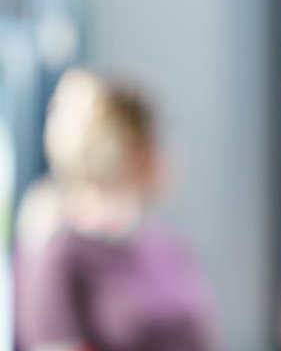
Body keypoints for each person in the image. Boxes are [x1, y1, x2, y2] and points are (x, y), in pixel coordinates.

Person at [13, 68, 217, 351]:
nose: (169, 149)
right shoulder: (57, 254)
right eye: (154, 137)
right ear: (129, 153)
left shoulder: (169, 248)